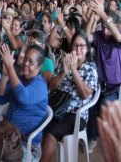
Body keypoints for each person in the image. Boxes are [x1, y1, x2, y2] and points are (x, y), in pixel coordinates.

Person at [40, 32, 98, 162]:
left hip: (76, 114)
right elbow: (52, 86)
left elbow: (84, 95)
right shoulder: (66, 61)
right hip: (58, 108)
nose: (77, 49)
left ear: (87, 49)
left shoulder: (91, 68)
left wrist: (74, 71)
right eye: (75, 45)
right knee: (40, 123)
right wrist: (64, 72)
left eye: (81, 46)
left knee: (51, 132)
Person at [0, 44, 48, 161]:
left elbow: (22, 97)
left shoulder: (40, 84)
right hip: (9, 137)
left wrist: (10, 67)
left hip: (28, 146)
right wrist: (4, 76)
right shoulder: (20, 79)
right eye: (25, 59)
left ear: (39, 67)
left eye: (31, 62)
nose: (25, 63)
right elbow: (0, 98)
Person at [85, 0, 121, 152]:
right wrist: (94, 16)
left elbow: (118, 36)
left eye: (108, 25)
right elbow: (86, 38)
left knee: (106, 109)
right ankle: (92, 138)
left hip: (113, 87)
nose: (106, 28)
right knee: (90, 107)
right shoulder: (99, 35)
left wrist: (103, 14)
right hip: (99, 85)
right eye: (104, 25)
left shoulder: (117, 36)